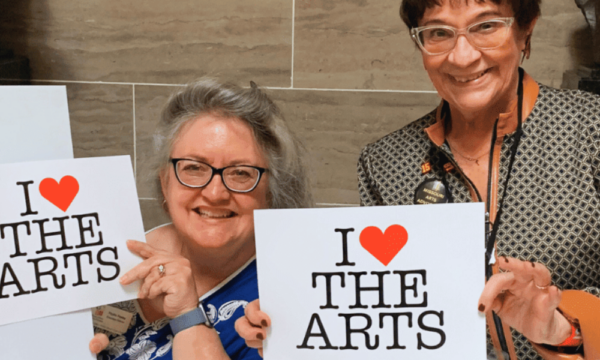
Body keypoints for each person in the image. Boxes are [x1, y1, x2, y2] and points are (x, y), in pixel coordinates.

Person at [236, 0, 600, 359]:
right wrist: (290, 320)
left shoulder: (592, 130)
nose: (462, 56)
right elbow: (381, 306)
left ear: (526, 28)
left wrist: (563, 330)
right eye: (439, 32)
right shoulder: (383, 162)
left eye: (486, 26)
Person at [89, 77, 312, 360]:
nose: (215, 193)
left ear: (271, 190)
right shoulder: (112, 254)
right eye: (194, 167)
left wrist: (186, 317)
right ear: (165, 181)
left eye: (241, 173)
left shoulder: (288, 299)